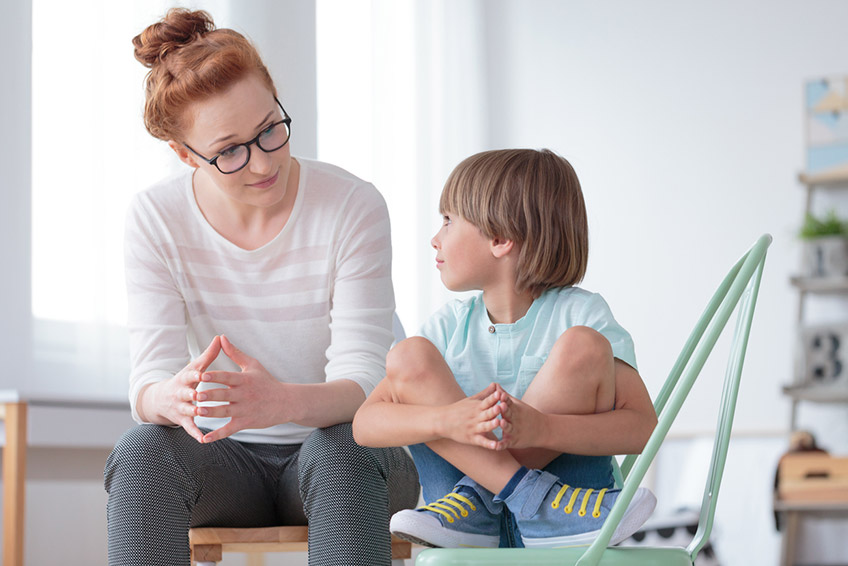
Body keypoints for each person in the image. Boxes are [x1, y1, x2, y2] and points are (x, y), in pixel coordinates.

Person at [103, 8, 419, 566]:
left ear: (277, 100)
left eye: (270, 129)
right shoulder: (155, 218)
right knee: (141, 452)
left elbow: (365, 383)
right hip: (225, 467)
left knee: (343, 446)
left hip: (344, 456)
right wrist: (167, 396)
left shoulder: (352, 206)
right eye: (229, 151)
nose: (262, 163)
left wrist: (282, 401)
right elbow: (146, 383)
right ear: (184, 155)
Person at [353, 148, 658, 549]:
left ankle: (493, 501)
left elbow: (642, 430)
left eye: (448, 221)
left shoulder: (581, 316)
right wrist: (448, 420)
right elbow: (365, 424)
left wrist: (543, 427)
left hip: (573, 522)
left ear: (500, 239)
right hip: (465, 526)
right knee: (408, 355)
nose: (435, 238)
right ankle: (512, 502)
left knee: (582, 346)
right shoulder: (446, 329)